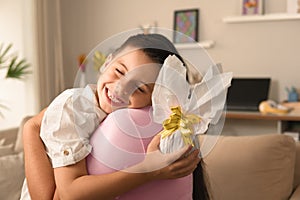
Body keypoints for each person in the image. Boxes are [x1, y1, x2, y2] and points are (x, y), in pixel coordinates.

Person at [21, 33, 207, 199]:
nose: (120, 88)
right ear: (107, 62)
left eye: (139, 88)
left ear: (154, 100)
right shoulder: (73, 108)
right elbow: (69, 194)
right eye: (119, 71)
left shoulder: (144, 121)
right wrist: (148, 170)